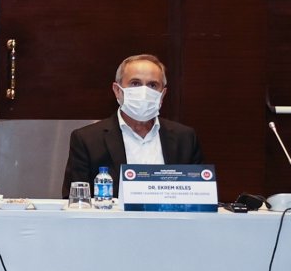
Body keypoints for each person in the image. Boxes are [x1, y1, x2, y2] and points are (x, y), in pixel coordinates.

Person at [63, 54, 202, 194]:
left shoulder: (185, 138)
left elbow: (199, 196)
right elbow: (76, 202)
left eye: (152, 85)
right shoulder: (87, 139)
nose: (144, 92)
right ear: (117, 90)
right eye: (135, 83)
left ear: (163, 94)